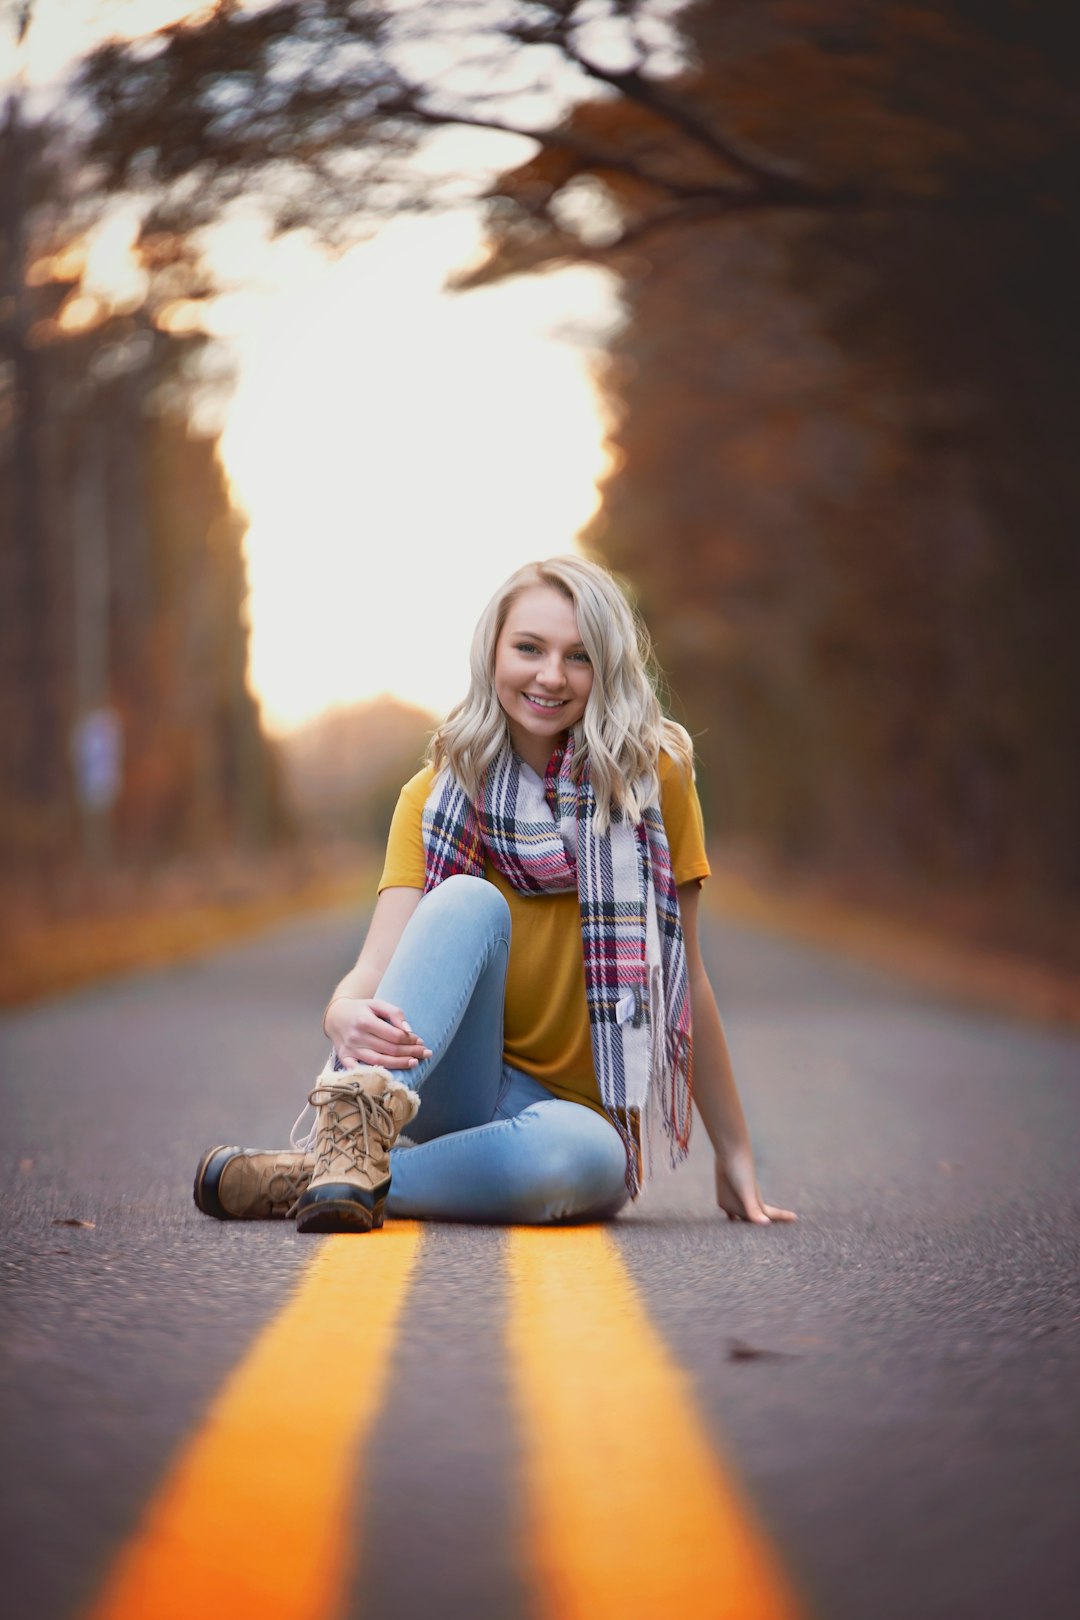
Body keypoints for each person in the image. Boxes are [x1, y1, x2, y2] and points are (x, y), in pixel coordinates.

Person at [194, 555, 795, 1234]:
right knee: (465, 900)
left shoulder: (652, 780)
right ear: (493, 653)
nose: (550, 676)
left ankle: (325, 1176)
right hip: (455, 1082)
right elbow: (379, 963)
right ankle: (356, 1133)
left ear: (609, 667)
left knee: (571, 1167)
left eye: (579, 656)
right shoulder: (433, 797)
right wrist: (340, 1011)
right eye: (529, 648)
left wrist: (735, 1150)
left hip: (578, 1118)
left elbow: (689, 978)